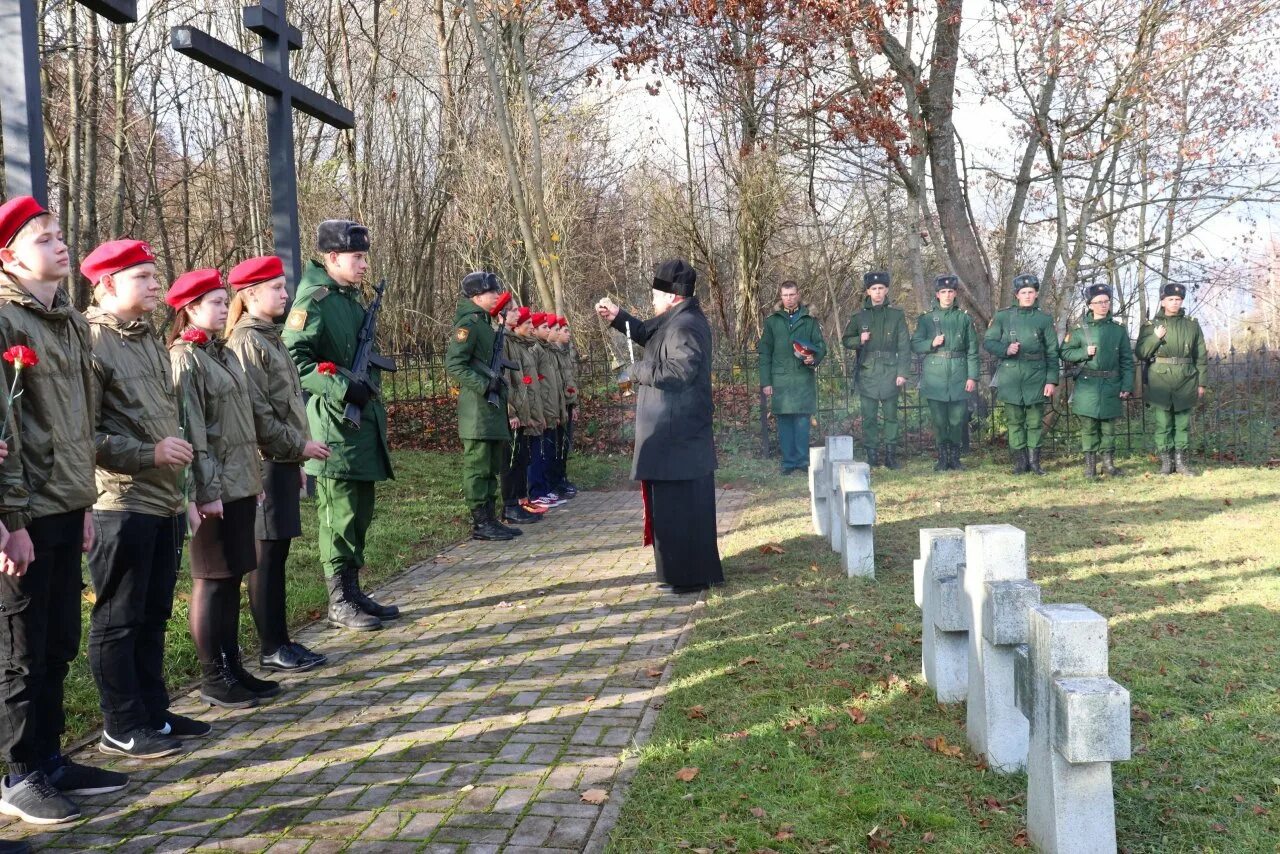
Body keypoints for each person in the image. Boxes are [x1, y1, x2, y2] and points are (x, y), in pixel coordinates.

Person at [0, 197, 123, 825]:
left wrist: (81, 503)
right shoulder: (3, 320)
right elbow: (6, 426)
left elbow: (76, 421)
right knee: (18, 647)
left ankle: (49, 758)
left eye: (59, 235)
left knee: (55, 642)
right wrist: (10, 521)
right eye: (43, 238)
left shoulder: (70, 322)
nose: (59, 244)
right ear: (9, 255)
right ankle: (18, 773)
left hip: (64, 502)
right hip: (21, 511)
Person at [83, 239, 203, 764]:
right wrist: (148, 453)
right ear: (105, 284)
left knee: (154, 616)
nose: (157, 284)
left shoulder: (149, 339)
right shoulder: (91, 343)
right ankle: (122, 724)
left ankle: (154, 712)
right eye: (143, 277)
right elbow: (80, 434)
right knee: (119, 618)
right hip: (120, 502)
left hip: (163, 500)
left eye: (156, 275)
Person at [168, 269, 278, 710]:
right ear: (189, 309)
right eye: (212, 302)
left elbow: (239, 424)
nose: (222, 307)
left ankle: (233, 665)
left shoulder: (221, 353)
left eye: (221, 300)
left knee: (232, 575)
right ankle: (213, 676)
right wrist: (201, 490)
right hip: (210, 488)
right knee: (211, 580)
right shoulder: (185, 357)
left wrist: (251, 478)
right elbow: (192, 430)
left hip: (236, 483)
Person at [283, 220, 397, 631]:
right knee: (339, 516)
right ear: (331, 258)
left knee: (360, 512)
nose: (364, 264)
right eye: (357, 257)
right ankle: (338, 600)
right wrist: (343, 388)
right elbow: (295, 361)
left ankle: (353, 590)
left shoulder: (349, 300)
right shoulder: (313, 301)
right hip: (333, 426)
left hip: (361, 426)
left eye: (365, 256)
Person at [225, 256, 332, 672]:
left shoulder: (270, 337)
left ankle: (282, 639)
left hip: (283, 459)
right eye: (276, 288)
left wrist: (297, 453)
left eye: (285, 287)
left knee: (278, 553)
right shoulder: (248, 341)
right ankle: (271, 646)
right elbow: (258, 414)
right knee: (266, 556)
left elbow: (287, 404)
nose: (285, 294)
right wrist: (298, 447)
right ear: (250, 295)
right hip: (266, 461)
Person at [595, 259, 723, 594]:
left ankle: (689, 576)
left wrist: (635, 371)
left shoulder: (686, 326)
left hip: (678, 435)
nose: (652, 300)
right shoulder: (676, 319)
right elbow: (647, 333)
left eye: (656, 294)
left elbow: (679, 372)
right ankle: (680, 573)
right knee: (672, 511)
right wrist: (618, 317)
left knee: (681, 511)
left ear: (673, 296)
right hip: (672, 435)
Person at [446, 272, 521, 541]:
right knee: (478, 467)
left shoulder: (485, 324)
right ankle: (480, 521)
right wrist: (483, 384)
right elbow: (455, 364)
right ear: (477, 296)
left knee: (490, 467)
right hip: (477, 410)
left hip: (490, 408)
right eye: (492, 293)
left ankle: (490, 518)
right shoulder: (469, 324)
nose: (496, 296)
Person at [984, 274, 1060, 475]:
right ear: (1016, 295)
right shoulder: (1002, 316)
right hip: (1010, 375)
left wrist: (1051, 380)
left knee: (1035, 422)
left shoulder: (1044, 319)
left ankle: (1035, 463)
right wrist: (1005, 349)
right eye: (1023, 292)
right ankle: (1020, 463)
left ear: (1036, 294)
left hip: (1036, 375)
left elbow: (1053, 352)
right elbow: (988, 341)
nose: (1027, 296)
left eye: (1031, 292)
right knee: (1014, 421)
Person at [1060, 284, 1134, 478]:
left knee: (1108, 427)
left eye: (1106, 301)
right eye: (1098, 302)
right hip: (1087, 384)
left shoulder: (1118, 330)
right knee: (1089, 427)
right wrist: (1084, 353)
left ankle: (1108, 465)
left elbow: (1127, 360)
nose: (1103, 305)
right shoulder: (1078, 330)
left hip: (1111, 384)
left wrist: (1127, 385)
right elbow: (1065, 352)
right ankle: (1090, 467)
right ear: (1090, 305)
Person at [1135, 283, 1207, 476]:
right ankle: (1166, 464)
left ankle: (1181, 463)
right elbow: (1141, 352)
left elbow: (1200, 355)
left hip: (1186, 378)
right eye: (1171, 300)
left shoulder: (1192, 324)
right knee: (1163, 424)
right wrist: (1155, 338)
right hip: (1159, 379)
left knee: (1182, 423)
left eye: (1178, 300)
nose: (1175, 303)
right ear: (1163, 301)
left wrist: (1202, 383)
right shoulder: (1151, 326)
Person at [841, 271, 910, 468]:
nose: (878, 293)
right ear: (868, 291)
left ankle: (890, 456)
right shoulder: (859, 316)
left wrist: (902, 372)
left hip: (890, 371)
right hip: (868, 372)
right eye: (874, 289)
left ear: (886, 290)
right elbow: (846, 340)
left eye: (881, 289)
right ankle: (871, 455)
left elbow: (904, 346)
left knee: (891, 417)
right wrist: (859, 340)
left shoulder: (896, 316)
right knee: (869, 417)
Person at [910, 275, 978, 472]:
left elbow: (972, 349)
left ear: (955, 294)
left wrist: (972, 376)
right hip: (935, 373)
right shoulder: (926, 319)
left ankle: (955, 458)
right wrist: (931, 343)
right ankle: (942, 458)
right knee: (939, 420)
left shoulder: (964, 318)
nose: (947, 295)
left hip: (959, 372)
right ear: (937, 295)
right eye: (943, 292)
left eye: (950, 292)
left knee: (957, 419)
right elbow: (915, 344)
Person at [758, 280, 827, 475]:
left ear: (798, 295)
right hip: (780, 380)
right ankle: (788, 463)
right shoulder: (772, 322)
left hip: (802, 378)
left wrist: (813, 358)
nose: (789, 299)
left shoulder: (809, 320)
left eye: (792, 295)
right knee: (784, 423)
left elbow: (821, 346)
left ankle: (803, 462)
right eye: (785, 295)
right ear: (781, 297)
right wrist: (766, 382)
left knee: (802, 422)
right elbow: (765, 353)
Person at [498, 304, 544, 526]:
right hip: (513, 411)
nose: (519, 314)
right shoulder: (504, 341)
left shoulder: (515, 343)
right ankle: (511, 505)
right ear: (501, 315)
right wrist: (511, 411)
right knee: (511, 461)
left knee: (520, 459)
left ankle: (520, 501)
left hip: (523, 410)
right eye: (514, 311)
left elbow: (526, 383)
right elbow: (504, 379)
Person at [528, 312, 567, 506]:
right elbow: (535, 384)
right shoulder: (535, 350)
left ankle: (547, 487)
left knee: (550, 450)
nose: (551, 331)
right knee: (540, 452)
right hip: (541, 409)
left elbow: (555, 385)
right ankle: (538, 490)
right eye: (545, 327)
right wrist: (541, 410)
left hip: (551, 409)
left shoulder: (547, 350)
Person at [550, 316, 580, 497]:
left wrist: (573, 403)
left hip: (567, 402)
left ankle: (562, 477)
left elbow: (570, 380)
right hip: (557, 404)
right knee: (557, 444)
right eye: (565, 330)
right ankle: (556, 480)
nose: (568, 334)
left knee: (564, 444)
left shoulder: (565, 353)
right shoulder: (553, 352)